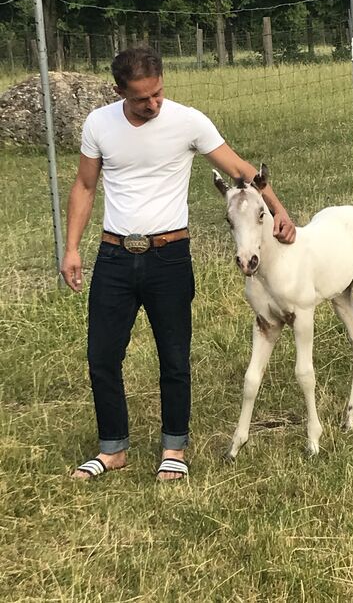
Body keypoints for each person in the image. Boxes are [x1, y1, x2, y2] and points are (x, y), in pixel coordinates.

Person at [61, 46, 295, 481]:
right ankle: (112, 449)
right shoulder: (99, 124)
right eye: (141, 99)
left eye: (158, 94)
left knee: (174, 355)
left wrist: (279, 211)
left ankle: (175, 449)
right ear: (119, 91)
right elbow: (85, 186)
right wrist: (72, 248)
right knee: (102, 356)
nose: (153, 104)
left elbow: (243, 170)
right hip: (113, 255)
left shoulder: (188, 121)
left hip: (169, 256)